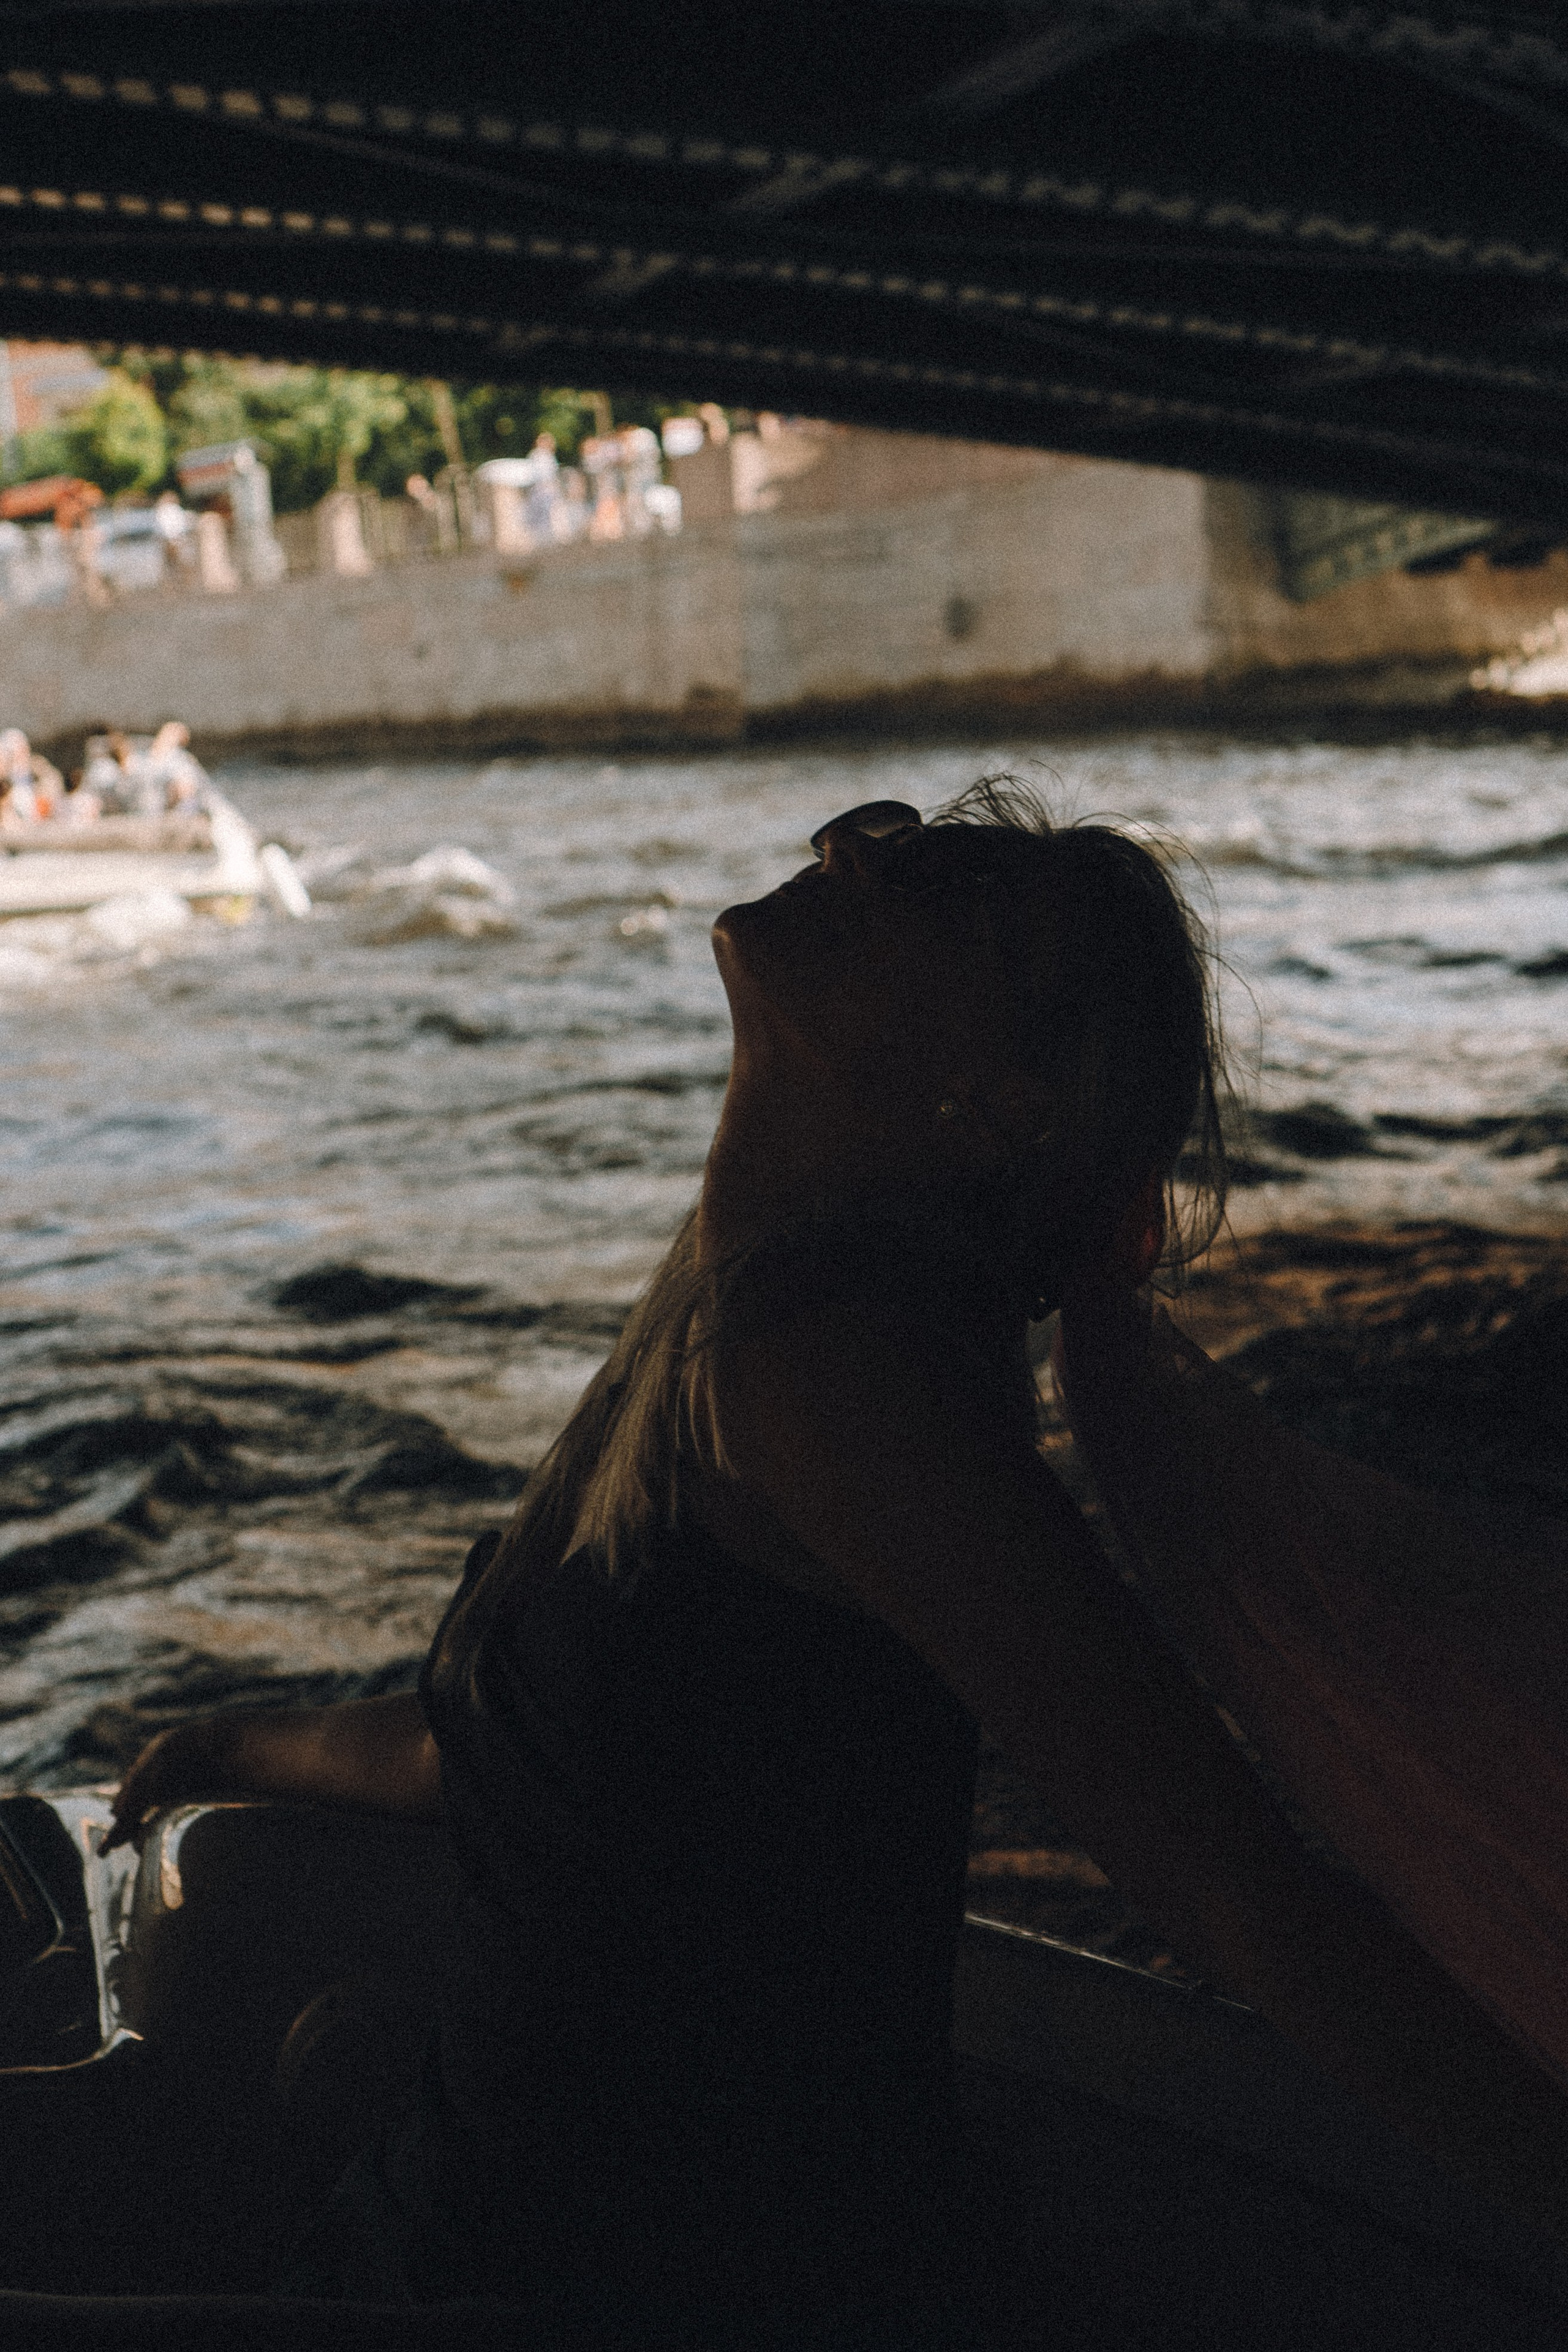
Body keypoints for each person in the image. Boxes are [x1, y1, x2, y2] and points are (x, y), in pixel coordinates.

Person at [102, 783, 1568, 2341]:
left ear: (992, 1102)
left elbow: (1229, 1888)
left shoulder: (844, 1380)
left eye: (949, 892)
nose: (858, 844)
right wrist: (234, 1743)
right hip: (514, 2220)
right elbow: (511, 1745)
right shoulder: (747, 1326)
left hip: (634, 2279)